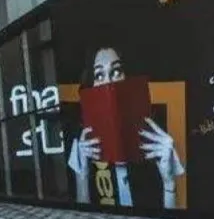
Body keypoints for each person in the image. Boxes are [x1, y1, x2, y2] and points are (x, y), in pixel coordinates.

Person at [67, 45, 184, 209]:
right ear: (90, 84)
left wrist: (169, 181)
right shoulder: (82, 141)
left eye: (116, 72)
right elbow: (82, 218)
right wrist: (83, 175)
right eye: (99, 75)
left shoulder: (155, 136)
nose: (109, 82)